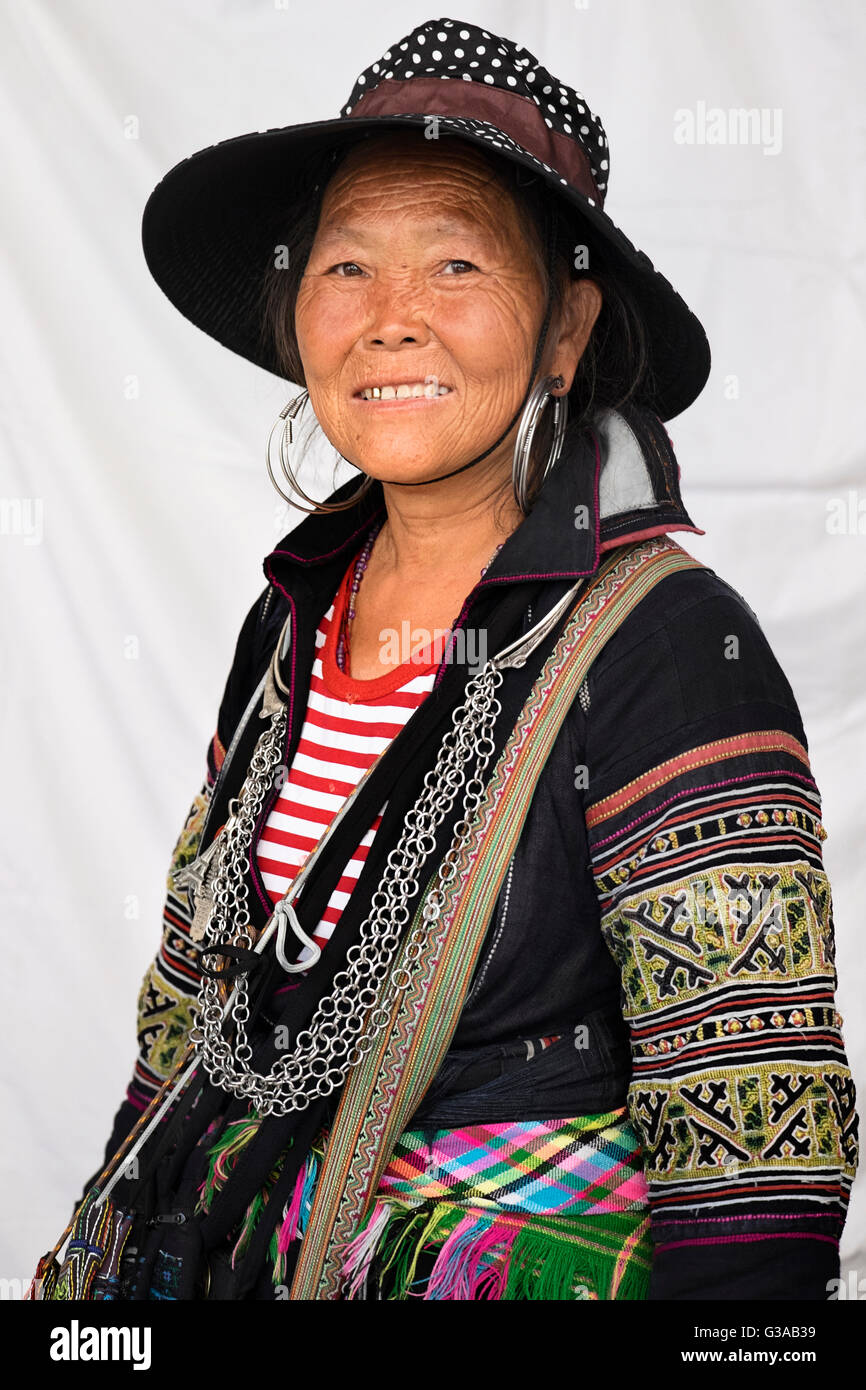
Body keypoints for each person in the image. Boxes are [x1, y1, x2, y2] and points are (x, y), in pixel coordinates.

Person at [44, 17, 857, 1301]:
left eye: (458, 262)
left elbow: (753, 1164)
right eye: (348, 265)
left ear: (564, 328)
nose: (392, 320)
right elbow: (197, 1015)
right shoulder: (292, 622)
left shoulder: (666, 651)